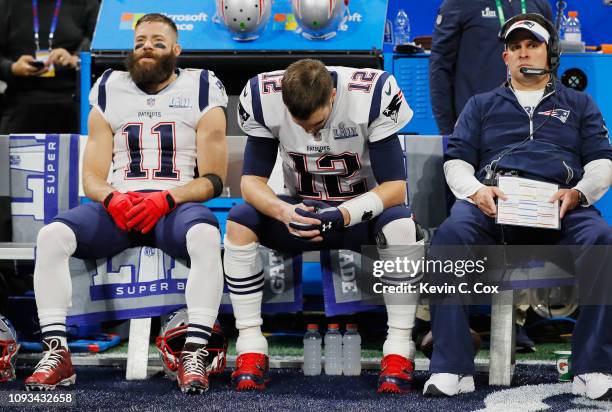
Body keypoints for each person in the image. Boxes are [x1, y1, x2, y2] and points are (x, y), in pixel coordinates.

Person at [23, 13, 228, 394]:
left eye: (157, 41)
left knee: (203, 235)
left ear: (176, 51)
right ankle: (58, 353)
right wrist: (112, 198)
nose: (146, 47)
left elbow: (215, 179)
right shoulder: (109, 87)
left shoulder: (202, 86)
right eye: (139, 42)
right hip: (118, 205)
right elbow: (91, 177)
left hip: (174, 206)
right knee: (51, 236)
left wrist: (168, 198)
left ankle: (194, 352)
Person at [423, 14, 612, 399]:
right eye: (516, 47)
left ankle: (592, 365)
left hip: (560, 204)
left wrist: (578, 193)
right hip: (494, 202)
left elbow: (601, 162)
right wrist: (476, 191)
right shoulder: (481, 105)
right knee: (450, 234)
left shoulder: (578, 103)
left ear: (550, 53)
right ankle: (450, 366)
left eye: (533, 45)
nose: (523, 52)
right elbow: (456, 160)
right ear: (505, 57)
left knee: (602, 239)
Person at [225, 58, 423, 394]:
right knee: (240, 221)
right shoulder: (262, 95)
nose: (309, 133)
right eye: (299, 124)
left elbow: (395, 188)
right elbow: (250, 183)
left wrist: (344, 214)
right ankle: (250, 345)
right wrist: (282, 212)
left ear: (333, 95)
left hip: (358, 211)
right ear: (284, 103)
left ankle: (399, 347)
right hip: (298, 210)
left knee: (402, 227)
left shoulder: (371, 93)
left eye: (317, 123)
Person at [430, 0, 551, 136]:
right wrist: (448, 132)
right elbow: (440, 68)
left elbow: (548, 65)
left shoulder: (540, 4)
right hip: (478, 127)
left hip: (531, 125)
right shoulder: (459, 4)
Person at [0, 0, 99, 134]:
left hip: (72, 99)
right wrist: (12, 67)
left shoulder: (86, 4)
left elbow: (103, 53)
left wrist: (75, 60)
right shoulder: (8, 4)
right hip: (21, 98)